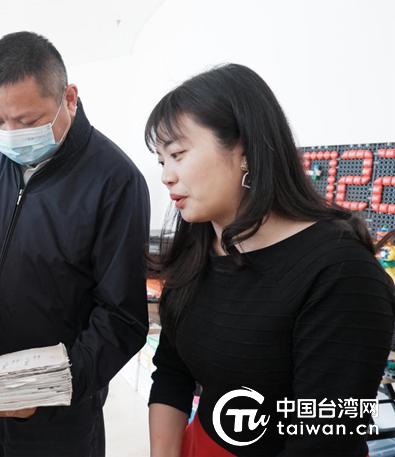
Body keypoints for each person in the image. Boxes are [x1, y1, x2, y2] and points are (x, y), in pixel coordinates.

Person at [146, 64, 395, 456]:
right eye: (162, 161)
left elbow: (323, 440)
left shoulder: (340, 271)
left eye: (177, 154)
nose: (166, 176)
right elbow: (171, 373)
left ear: (244, 150)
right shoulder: (197, 246)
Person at [0, 31, 150, 456]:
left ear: (69, 98)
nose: (10, 134)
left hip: (58, 416)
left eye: (27, 121)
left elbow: (121, 318)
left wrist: (49, 391)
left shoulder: (115, 180)